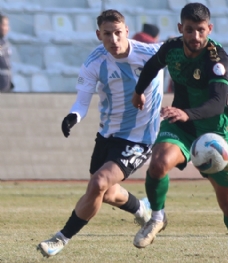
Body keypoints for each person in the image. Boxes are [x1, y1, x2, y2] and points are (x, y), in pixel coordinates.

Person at [37, 9, 164, 257]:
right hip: (108, 135)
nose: (114, 40)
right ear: (99, 35)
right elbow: (82, 101)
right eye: (107, 34)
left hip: (140, 138)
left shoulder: (152, 54)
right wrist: (73, 116)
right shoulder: (94, 62)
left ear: (127, 31)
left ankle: (60, 239)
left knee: (98, 183)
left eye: (118, 33)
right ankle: (145, 212)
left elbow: (186, 54)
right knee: (105, 192)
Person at [131, 3, 228, 263]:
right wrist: (139, 90)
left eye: (200, 30)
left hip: (213, 132)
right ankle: (157, 218)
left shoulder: (217, 60)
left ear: (209, 28)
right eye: (189, 30)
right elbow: (152, 66)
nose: (195, 37)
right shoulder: (171, 48)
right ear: (180, 29)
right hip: (180, 126)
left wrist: (188, 113)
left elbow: (218, 103)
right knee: (159, 163)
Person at [0, 13, 12, 92]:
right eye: (4, 25)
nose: (6, 28)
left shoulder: (5, 42)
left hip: (6, 85)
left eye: (7, 25)